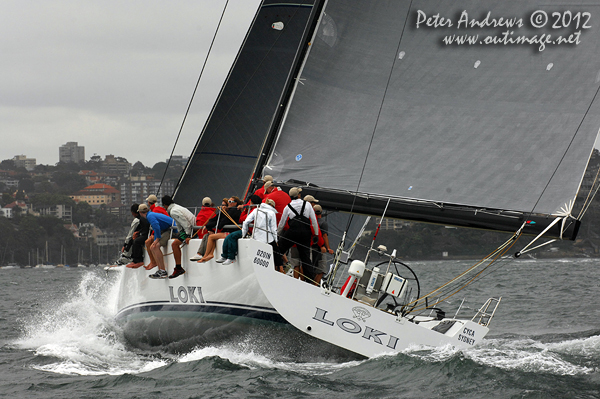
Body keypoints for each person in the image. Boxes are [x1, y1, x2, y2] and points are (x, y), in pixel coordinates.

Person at [277, 187, 319, 280]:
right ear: (299, 195)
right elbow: (314, 221)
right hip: (305, 233)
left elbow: (282, 223)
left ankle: (275, 267)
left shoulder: (288, 207)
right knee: (306, 257)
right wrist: (316, 234)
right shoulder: (307, 204)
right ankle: (309, 280)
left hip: (293, 232)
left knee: (279, 249)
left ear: (290, 196)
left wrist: (278, 234)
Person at [242, 198, 284, 271]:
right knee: (276, 254)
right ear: (271, 206)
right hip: (268, 239)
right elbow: (273, 229)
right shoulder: (271, 213)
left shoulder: (256, 210)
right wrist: (276, 240)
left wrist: (243, 235)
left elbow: (245, 223)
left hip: (256, 238)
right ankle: (281, 270)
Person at [218, 195, 262, 265]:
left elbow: (243, 219)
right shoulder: (250, 209)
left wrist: (245, 210)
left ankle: (231, 257)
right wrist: (246, 209)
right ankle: (224, 256)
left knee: (231, 236)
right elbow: (241, 219)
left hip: (249, 231)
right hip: (246, 230)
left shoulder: (254, 211)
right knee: (228, 237)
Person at [198, 196, 243, 262]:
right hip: (228, 231)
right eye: (228, 202)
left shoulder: (234, 211)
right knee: (212, 236)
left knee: (211, 237)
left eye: (230, 202)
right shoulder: (230, 211)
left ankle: (206, 255)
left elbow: (221, 223)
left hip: (231, 232)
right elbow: (214, 220)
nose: (229, 203)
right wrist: (208, 227)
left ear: (235, 203)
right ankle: (209, 254)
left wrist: (224, 212)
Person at [162, 195, 196, 279]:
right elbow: (179, 223)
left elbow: (186, 224)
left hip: (191, 229)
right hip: (189, 228)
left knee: (174, 244)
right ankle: (178, 268)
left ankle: (178, 268)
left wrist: (188, 235)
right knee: (175, 241)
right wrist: (181, 233)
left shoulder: (173, 211)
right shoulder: (176, 207)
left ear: (165, 205)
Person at [139, 204, 176, 279]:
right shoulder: (151, 214)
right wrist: (155, 240)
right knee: (153, 247)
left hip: (172, 230)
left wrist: (157, 239)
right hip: (167, 229)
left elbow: (156, 226)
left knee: (155, 247)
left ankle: (162, 271)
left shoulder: (149, 216)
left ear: (140, 212)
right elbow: (156, 229)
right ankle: (160, 270)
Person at [308, 204, 333, 285]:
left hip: (311, 247)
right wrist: (328, 248)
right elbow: (324, 236)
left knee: (313, 269)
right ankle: (314, 286)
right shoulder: (323, 223)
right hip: (320, 249)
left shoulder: (310, 221)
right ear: (321, 212)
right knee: (321, 270)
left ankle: (310, 284)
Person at [125, 204, 150, 269]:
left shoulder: (142, 218)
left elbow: (146, 229)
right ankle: (134, 260)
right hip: (145, 233)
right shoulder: (140, 218)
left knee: (137, 241)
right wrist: (138, 232)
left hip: (147, 234)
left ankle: (139, 260)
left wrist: (139, 234)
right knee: (134, 240)